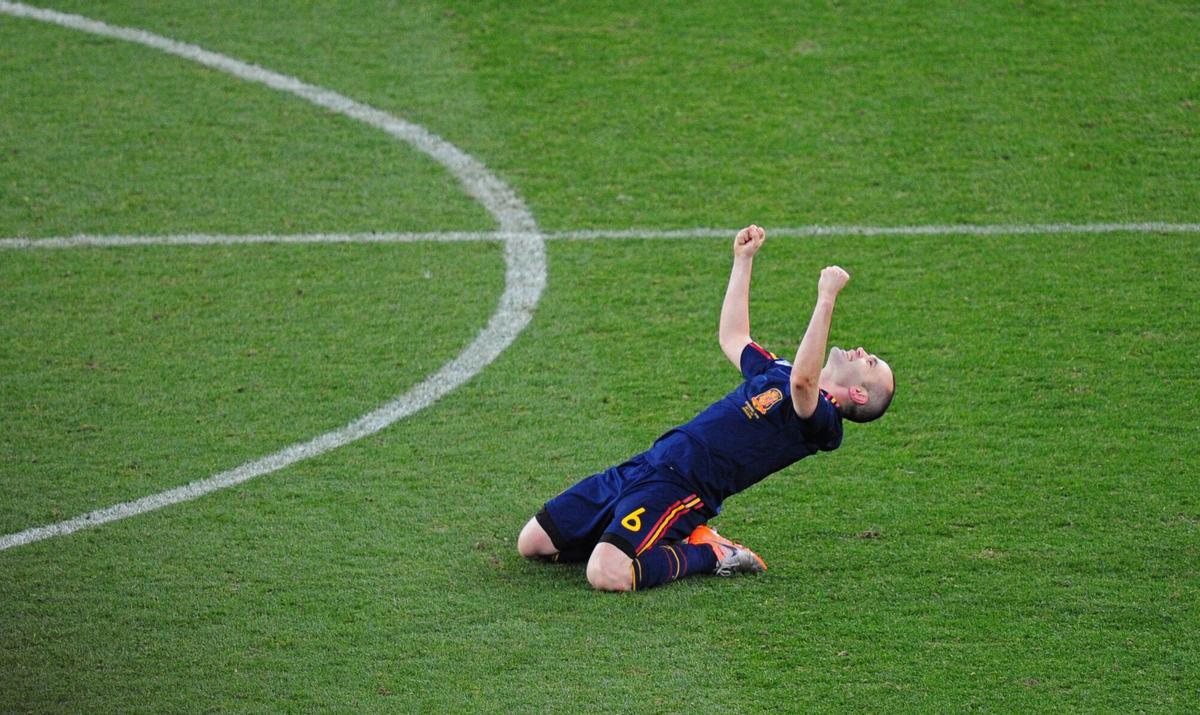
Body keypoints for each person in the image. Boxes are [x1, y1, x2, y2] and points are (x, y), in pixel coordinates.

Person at [517, 225, 895, 592]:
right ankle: (625, 537)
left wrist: (826, 298)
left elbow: (804, 383)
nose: (862, 353)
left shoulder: (823, 421)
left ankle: (710, 552)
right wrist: (742, 260)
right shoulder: (778, 370)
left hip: (680, 488)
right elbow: (733, 337)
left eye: (871, 363)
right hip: (647, 462)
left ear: (859, 394)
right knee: (532, 543)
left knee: (607, 574)